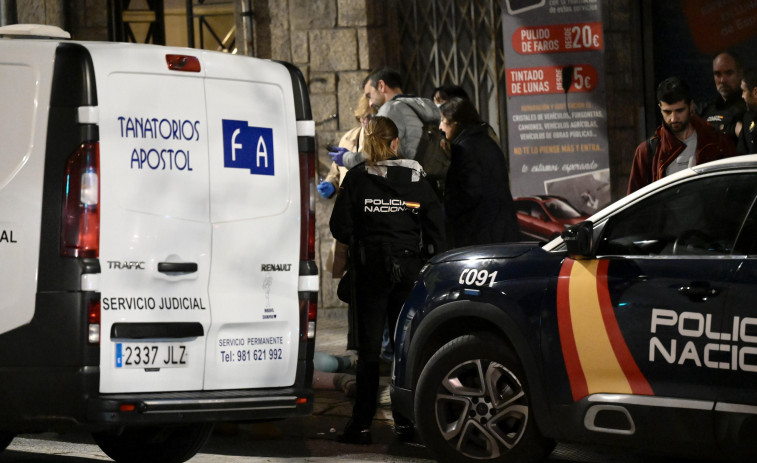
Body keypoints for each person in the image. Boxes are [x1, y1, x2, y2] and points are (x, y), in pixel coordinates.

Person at [329, 116, 446, 445]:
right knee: (405, 349)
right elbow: (435, 222)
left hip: (370, 271)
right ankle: (407, 424)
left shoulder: (357, 177)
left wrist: (365, 235)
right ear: (395, 143)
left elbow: (340, 227)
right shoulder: (413, 175)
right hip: (408, 270)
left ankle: (362, 425)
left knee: (368, 353)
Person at [628, 76, 737, 194]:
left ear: (691, 106)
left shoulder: (717, 142)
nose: (673, 118)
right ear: (660, 108)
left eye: (679, 111)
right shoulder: (647, 152)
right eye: (667, 112)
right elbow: (633, 203)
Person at [439, 97, 519, 247]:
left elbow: (469, 193)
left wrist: (444, 211)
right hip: (501, 230)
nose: (440, 127)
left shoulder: (464, 149)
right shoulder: (487, 141)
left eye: (443, 120)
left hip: (481, 234)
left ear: (455, 122)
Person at [330, 67, 440, 169]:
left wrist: (346, 158)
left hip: (407, 182)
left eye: (369, 95)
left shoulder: (390, 109)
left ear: (381, 86)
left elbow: (373, 155)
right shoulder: (423, 105)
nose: (370, 103)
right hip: (428, 181)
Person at [318, 94, 376, 280]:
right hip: (349, 214)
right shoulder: (349, 138)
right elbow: (336, 171)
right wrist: (331, 184)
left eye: (371, 117)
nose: (366, 122)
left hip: (373, 214)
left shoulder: (381, 141)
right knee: (349, 270)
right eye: (364, 118)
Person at [697, 50, 746, 145]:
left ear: (740, 73)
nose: (722, 80)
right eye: (718, 74)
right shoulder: (706, 111)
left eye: (728, 73)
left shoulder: (749, 110)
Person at [738, 68, 757, 154]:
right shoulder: (747, 118)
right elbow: (741, 154)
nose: (742, 96)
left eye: (743, 91)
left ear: (755, 92)